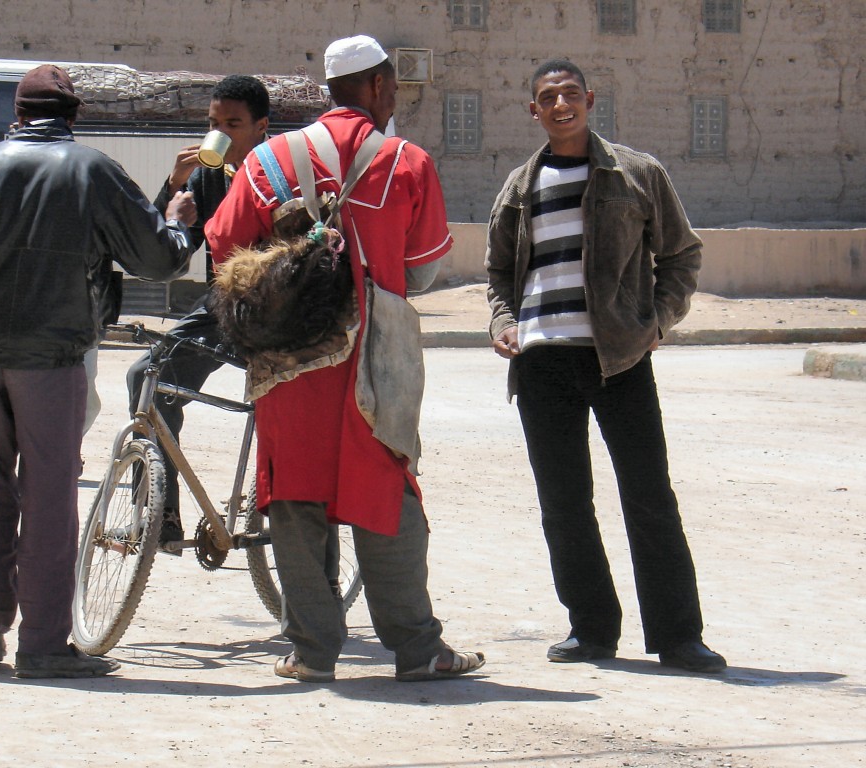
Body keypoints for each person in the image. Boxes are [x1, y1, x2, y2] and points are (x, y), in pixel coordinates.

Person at [0, 64, 193, 679]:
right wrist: (180, 222)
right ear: (72, 116)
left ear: (17, 115)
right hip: (51, 364)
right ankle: (45, 645)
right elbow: (158, 260)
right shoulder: (93, 170)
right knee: (49, 500)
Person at [205, 35, 485, 683]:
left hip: (286, 361)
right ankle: (418, 650)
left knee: (293, 495)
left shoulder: (269, 159)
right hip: (372, 358)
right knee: (385, 483)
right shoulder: (405, 160)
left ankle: (311, 652)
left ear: (331, 89)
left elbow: (223, 247)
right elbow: (420, 271)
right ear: (383, 86)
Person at [485, 59, 726, 673]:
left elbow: (682, 255)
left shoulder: (637, 173)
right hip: (542, 362)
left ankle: (678, 638)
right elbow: (499, 272)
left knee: (649, 496)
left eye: (570, 94)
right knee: (564, 502)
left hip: (619, 359)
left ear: (590, 100)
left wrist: (656, 323)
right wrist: (503, 323)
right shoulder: (519, 185)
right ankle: (591, 629)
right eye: (547, 97)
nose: (560, 104)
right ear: (532, 111)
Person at [124, 75, 270, 552]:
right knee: (147, 375)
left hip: (276, 314)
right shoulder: (210, 176)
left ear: (260, 128)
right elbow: (164, 255)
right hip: (221, 310)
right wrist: (173, 191)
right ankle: (158, 514)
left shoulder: (279, 172)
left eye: (233, 123)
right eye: (213, 123)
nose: (221, 133)